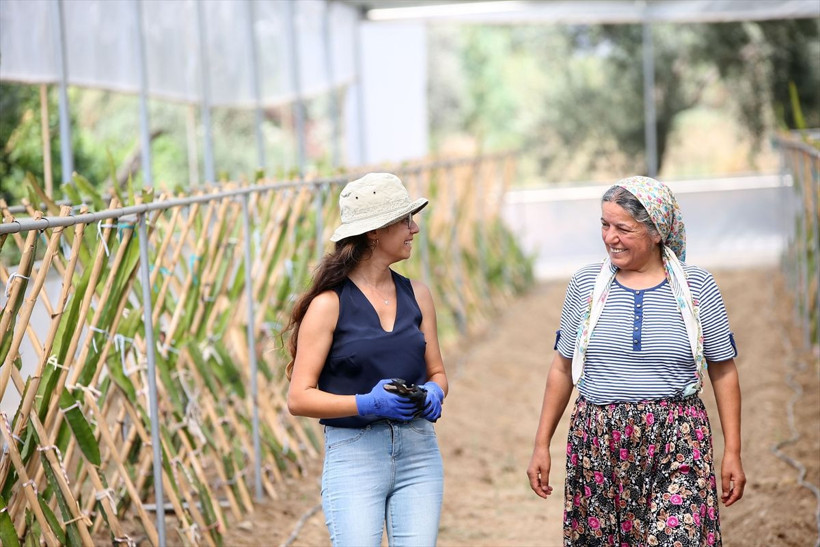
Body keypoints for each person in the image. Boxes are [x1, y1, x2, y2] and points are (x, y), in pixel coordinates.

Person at [526, 176, 746, 546]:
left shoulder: (697, 287)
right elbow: (562, 368)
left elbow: (724, 371)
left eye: (622, 228)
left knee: (678, 538)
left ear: (657, 232)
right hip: (598, 442)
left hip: (678, 438)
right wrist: (540, 444)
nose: (610, 237)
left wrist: (733, 452)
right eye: (604, 225)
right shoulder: (584, 286)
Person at [285, 172, 448, 547]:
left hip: (419, 452)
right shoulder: (328, 305)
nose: (415, 228)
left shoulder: (418, 295)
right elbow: (299, 398)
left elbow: (438, 372)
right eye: (405, 220)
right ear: (375, 231)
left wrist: (433, 393)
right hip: (355, 455)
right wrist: (366, 403)